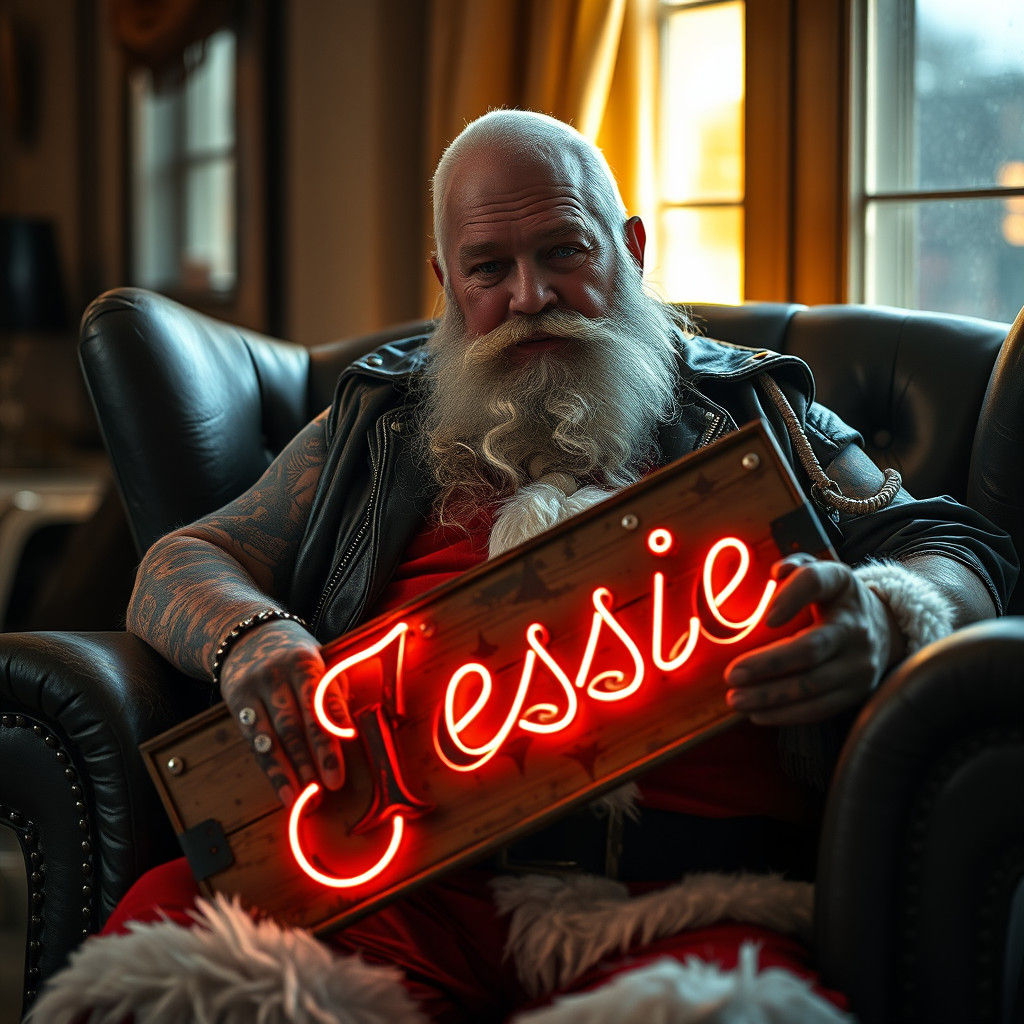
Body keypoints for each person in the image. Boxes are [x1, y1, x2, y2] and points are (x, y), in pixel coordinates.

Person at [31, 110, 1016, 1024]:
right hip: (389, 895)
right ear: (445, 282)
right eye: (487, 268)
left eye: (563, 252)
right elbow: (187, 555)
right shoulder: (377, 426)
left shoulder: (759, 409)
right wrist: (250, 633)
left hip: (684, 903)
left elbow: (958, 546)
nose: (529, 297)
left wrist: (886, 612)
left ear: (627, 249)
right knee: (164, 966)